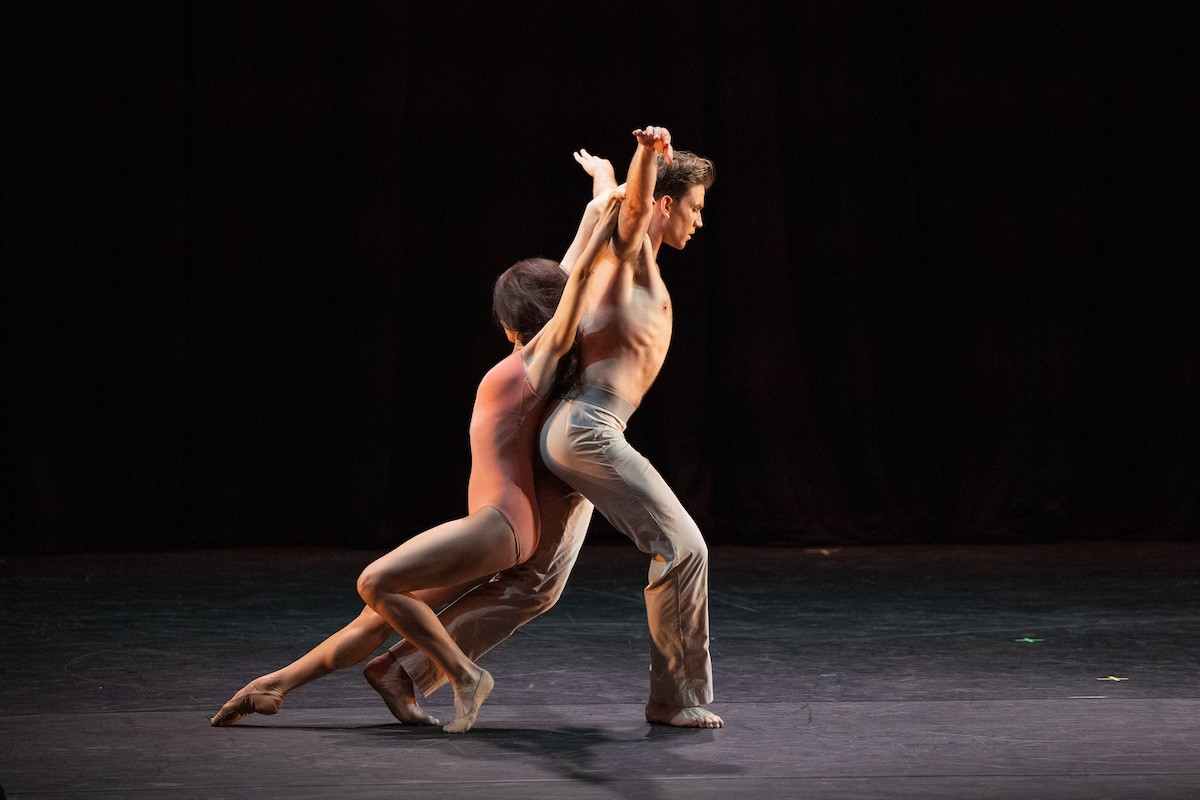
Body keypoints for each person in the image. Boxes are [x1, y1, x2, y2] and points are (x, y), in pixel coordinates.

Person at [211, 190, 622, 734]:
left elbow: (576, 280)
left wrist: (603, 221)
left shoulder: (535, 361)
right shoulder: (532, 360)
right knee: (378, 613)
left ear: (509, 324)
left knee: (375, 582)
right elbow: (571, 276)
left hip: (500, 523)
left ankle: (465, 675)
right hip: (498, 524)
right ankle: (275, 686)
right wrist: (598, 205)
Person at [540, 126, 722, 728]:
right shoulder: (628, 255)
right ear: (667, 204)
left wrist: (604, 176)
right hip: (587, 428)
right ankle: (674, 698)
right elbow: (634, 206)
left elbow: (618, 202)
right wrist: (646, 154)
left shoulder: (628, 258)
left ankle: (406, 670)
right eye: (694, 207)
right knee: (683, 547)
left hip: (577, 429)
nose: (699, 220)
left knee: (535, 584)